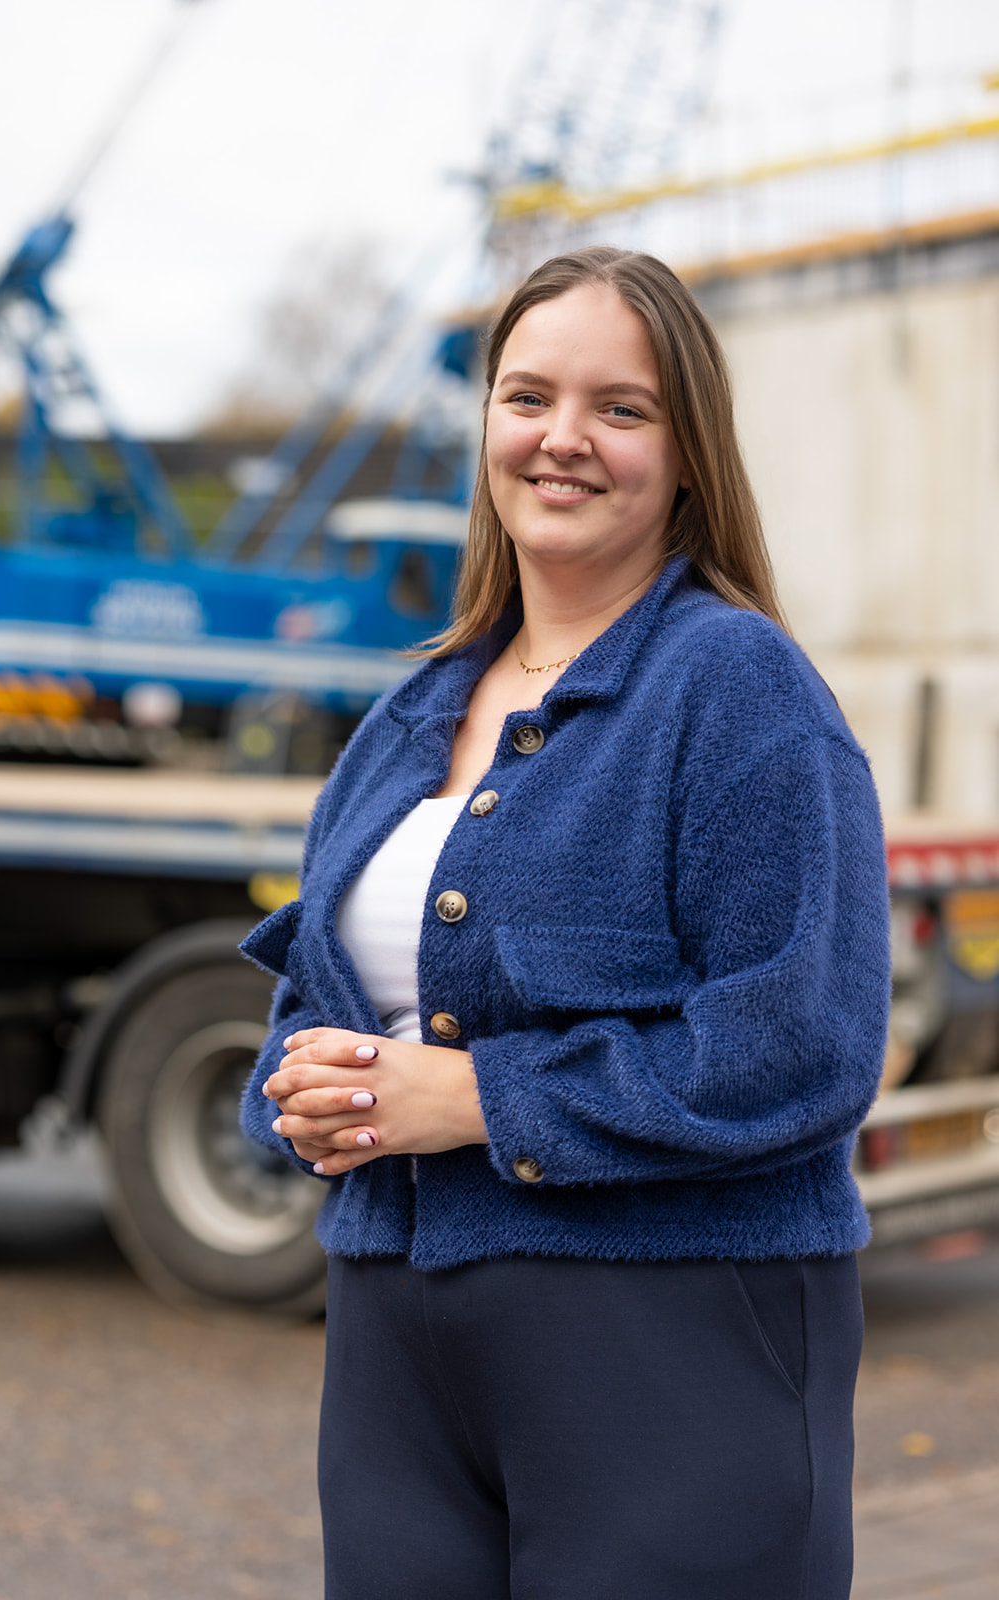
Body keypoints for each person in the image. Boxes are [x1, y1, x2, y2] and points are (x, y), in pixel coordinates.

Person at [239, 245, 890, 1600]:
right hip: (393, 1345)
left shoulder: (734, 687)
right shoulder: (408, 713)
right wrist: (304, 1090)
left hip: (664, 1338)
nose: (563, 439)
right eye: (527, 397)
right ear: (484, 425)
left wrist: (477, 1097)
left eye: (620, 408)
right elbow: (321, 995)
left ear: (688, 451)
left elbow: (801, 1045)